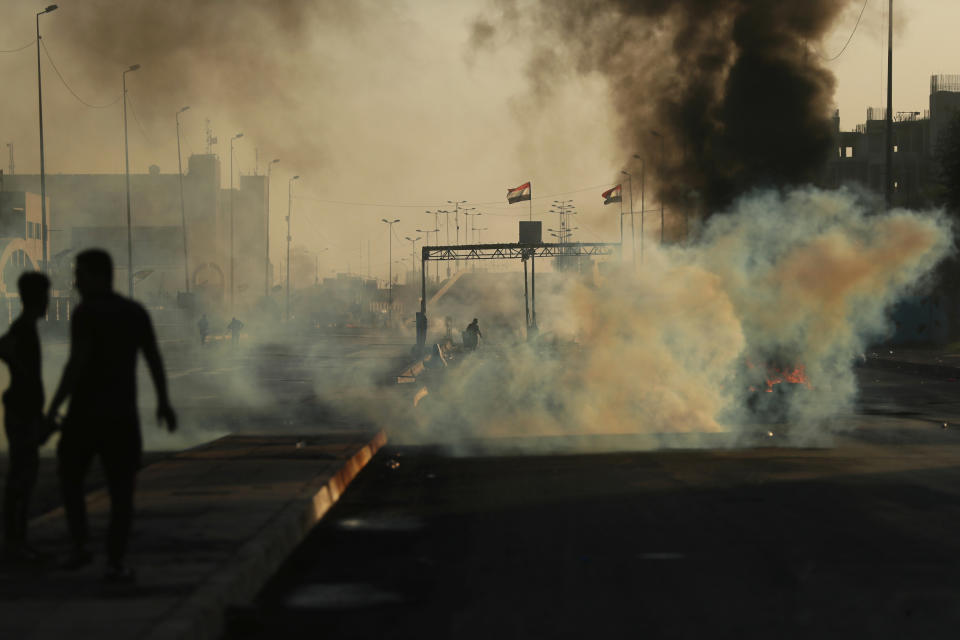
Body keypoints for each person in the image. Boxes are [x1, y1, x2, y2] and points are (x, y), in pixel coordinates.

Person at [46, 249, 176, 581]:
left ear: (99, 276)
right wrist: (163, 401)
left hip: (85, 415)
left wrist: (54, 405)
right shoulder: (134, 312)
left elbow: (76, 364)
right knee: (122, 492)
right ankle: (115, 561)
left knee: (71, 479)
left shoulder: (86, 313)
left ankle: (81, 546)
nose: (75, 281)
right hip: (121, 416)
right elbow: (153, 359)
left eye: (80, 274)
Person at [0, 272, 49, 561]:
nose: (46, 301)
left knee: (24, 476)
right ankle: (14, 542)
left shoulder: (25, 328)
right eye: (44, 295)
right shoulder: (23, 329)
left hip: (24, 409)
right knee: (21, 476)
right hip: (22, 411)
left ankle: (18, 539)